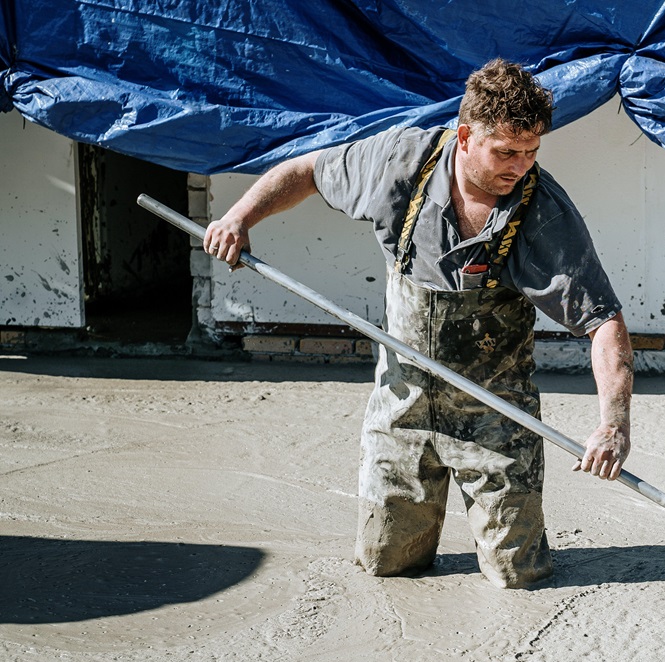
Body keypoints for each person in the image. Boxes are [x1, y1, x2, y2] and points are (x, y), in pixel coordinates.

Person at [205, 59, 633, 589]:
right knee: (387, 565)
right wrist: (239, 218)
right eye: (506, 151)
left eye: (531, 152)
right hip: (402, 404)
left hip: (494, 413)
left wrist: (612, 425)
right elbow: (306, 172)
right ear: (465, 136)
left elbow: (604, 322)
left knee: (518, 577)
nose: (521, 166)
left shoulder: (543, 213)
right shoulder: (397, 164)